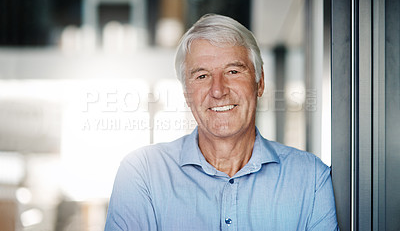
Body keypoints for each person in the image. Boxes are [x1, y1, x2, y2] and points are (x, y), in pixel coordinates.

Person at [104, 14, 339, 231]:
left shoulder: (312, 179)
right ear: (187, 93)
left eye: (233, 71)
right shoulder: (142, 173)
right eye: (202, 76)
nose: (218, 90)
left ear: (260, 82)